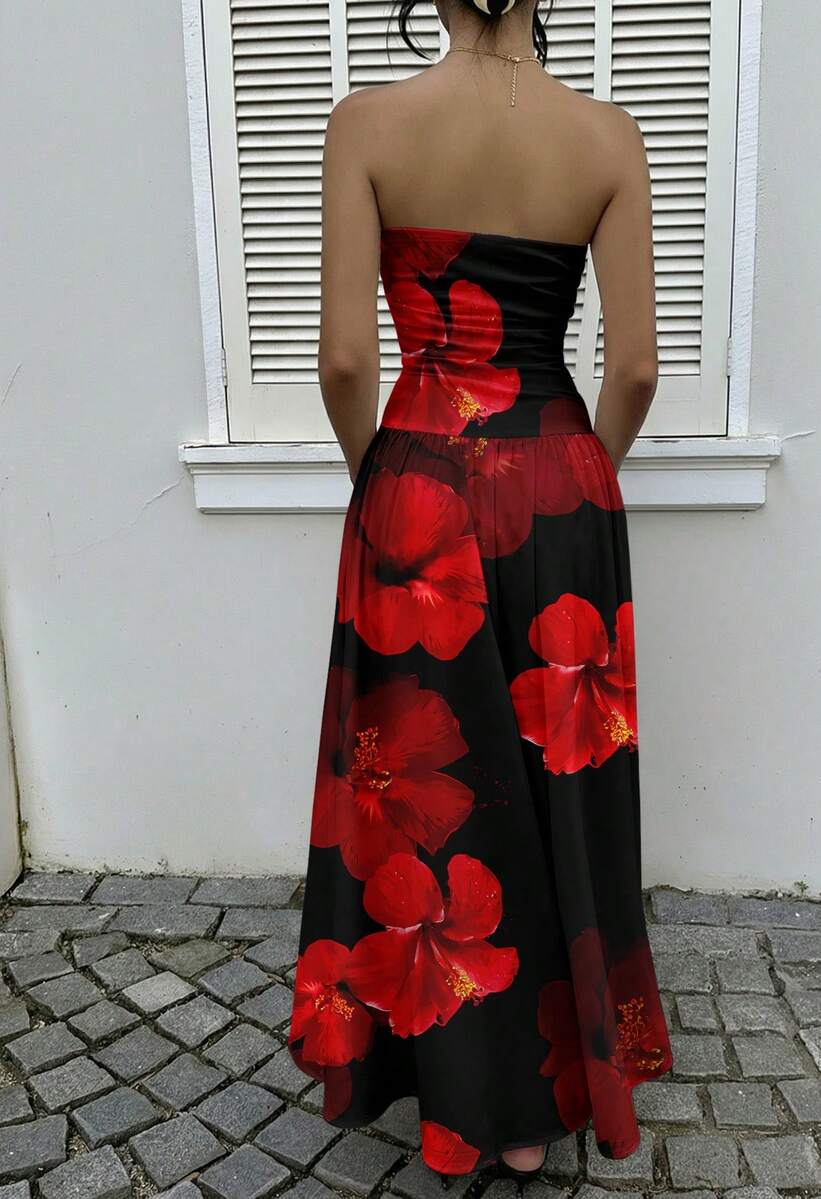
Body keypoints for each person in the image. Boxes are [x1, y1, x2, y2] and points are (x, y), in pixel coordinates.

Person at [288, 0, 673, 1180]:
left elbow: (345, 360)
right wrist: (579, 475)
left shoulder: (365, 125)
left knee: (427, 792)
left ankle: (448, 1091)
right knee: (561, 789)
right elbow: (636, 366)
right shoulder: (607, 136)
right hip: (559, 474)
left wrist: (383, 477)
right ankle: (533, 1110)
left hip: (420, 470)